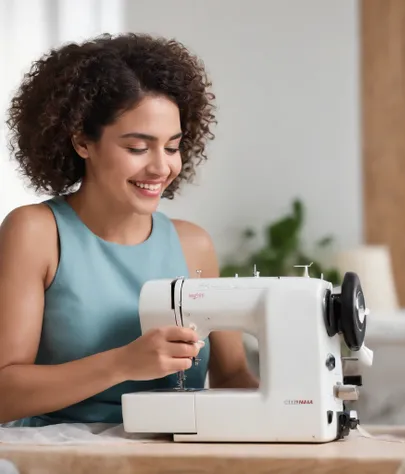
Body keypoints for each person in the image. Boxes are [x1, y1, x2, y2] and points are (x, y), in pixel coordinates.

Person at [0, 33, 259, 427]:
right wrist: (122, 363)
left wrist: (295, 401)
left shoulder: (193, 245)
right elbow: (4, 392)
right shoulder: (36, 233)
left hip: (174, 457)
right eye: (138, 148)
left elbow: (232, 376)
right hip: (59, 457)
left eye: (172, 147)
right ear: (82, 142)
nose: (161, 168)